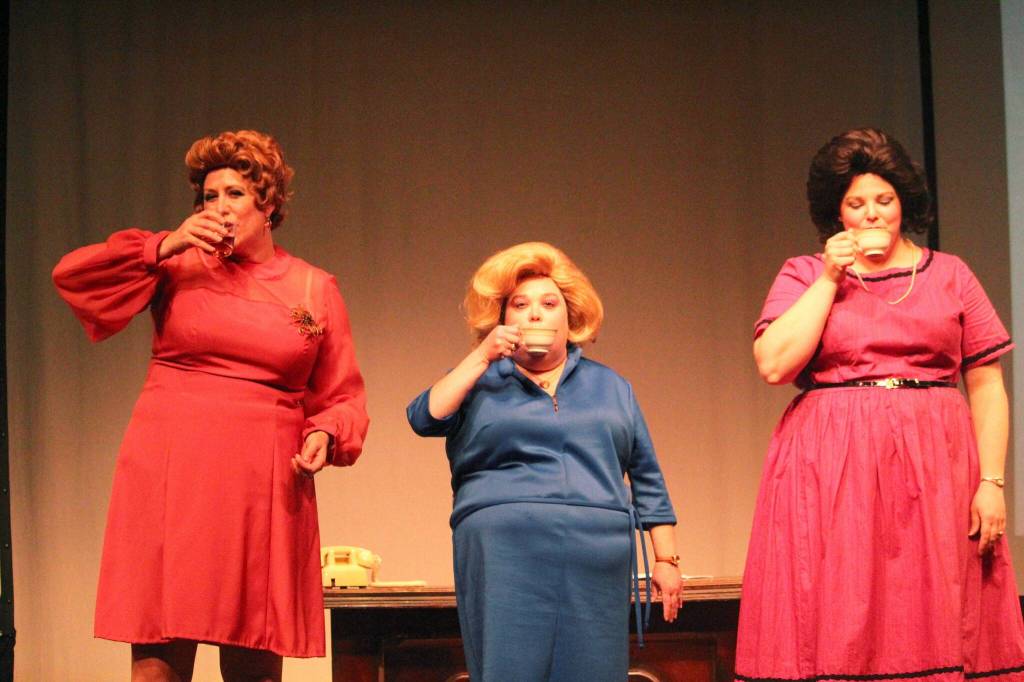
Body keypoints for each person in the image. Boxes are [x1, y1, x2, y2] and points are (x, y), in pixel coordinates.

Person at [52, 130, 370, 682]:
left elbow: (342, 396)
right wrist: (162, 245)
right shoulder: (177, 265)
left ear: (268, 205)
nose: (218, 207)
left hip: (261, 483)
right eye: (208, 196)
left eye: (234, 194)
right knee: (158, 663)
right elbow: (73, 276)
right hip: (171, 468)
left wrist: (324, 432)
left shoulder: (313, 289)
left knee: (253, 662)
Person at [735, 127, 1024, 681]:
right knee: (837, 603)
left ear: (903, 203)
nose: (872, 214)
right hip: (831, 471)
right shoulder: (804, 273)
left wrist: (991, 482)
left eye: (884, 200)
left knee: (935, 605)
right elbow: (773, 365)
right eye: (856, 203)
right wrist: (829, 278)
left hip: (936, 469)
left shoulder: (951, 274)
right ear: (836, 212)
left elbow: (987, 385)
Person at [407, 241, 681, 682]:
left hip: (597, 556)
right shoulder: (478, 379)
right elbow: (424, 417)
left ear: (570, 318)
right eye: (520, 305)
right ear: (502, 319)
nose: (535, 314)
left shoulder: (611, 387)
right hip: (505, 554)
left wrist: (666, 559)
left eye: (549, 304)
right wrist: (482, 355)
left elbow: (646, 474)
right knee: (510, 670)